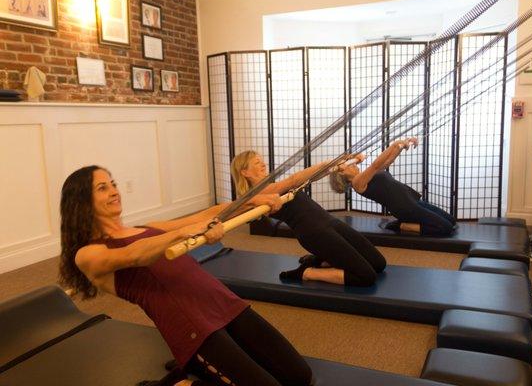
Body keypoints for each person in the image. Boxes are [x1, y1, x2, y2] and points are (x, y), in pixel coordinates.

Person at [59, 165, 312, 386]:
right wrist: (183, 232)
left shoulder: (145, 228)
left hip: (222, 302)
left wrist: (249, 202)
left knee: (299, 376)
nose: (114, 191)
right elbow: (135, 255)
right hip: (192, 328)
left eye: (113, 184)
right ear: (81, 201)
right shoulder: (87, 254)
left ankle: (197, 368)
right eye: (103, 188)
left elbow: (202, 216)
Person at [231, 151, 386, 287]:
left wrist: (345, 159)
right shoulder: (257, 195)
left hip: (331, 222)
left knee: (379, 263)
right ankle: (307, 272)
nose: (263, 164)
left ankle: (321, 260)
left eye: (262, 160)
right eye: (257, 163)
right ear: (245, 172)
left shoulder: (273, 185)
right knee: (366, 277)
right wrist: (331, 164)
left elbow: (307, 177)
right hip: (315, 233)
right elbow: (294, 180)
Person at [330, 137, 456, 237]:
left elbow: (387, 162)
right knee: (446, 228)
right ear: (342, 172)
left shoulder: (365, 175)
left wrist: (402, 145)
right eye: (347, 164)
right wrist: (395, 144)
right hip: (405, 207)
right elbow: (375, 165)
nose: (352, 164)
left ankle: (407, 222)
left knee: (451, 220)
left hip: (411, 200)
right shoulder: (357, 183)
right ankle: (403, 225)